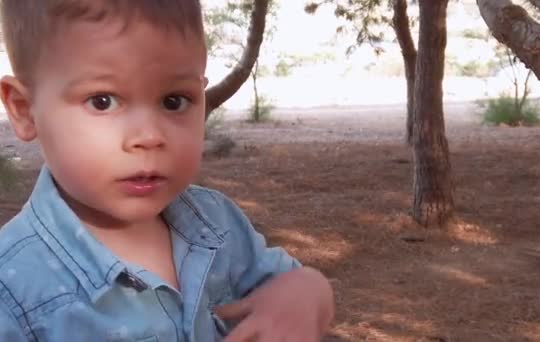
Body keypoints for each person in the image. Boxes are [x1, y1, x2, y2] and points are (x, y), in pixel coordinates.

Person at [0, 1, 334, 341]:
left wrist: (308, 289)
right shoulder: (13, 290)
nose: (150, 136)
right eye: (103, 101)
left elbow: (285, 284)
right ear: (24, 110)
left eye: (174, 101)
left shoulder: (217, 224)